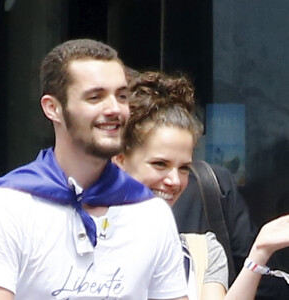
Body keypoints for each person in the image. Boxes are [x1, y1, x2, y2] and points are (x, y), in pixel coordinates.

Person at [0, 39, 188, 300]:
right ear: (53, 108)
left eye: (122, 96)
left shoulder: (152, 213)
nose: (114, 109)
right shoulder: (7, 207)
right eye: (95, 97)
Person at [112, 70, 289, 300]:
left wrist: (260, 251)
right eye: (159, 164)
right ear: (120, 160)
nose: (174, 180)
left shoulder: (201, 250)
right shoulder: (84, 238)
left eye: (184, 167)